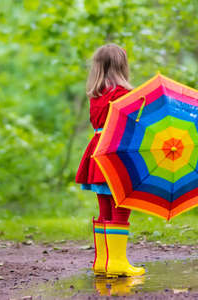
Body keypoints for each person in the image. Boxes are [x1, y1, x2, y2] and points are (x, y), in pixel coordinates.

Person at [75, 43, 145, 277]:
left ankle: (103, 261)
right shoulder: (124, 95)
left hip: (98, 152)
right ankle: (118, 263)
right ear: (122, 67)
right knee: (122, 203)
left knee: (104, 204)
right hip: (117, 153)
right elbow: (131, 128)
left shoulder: (96, 95)